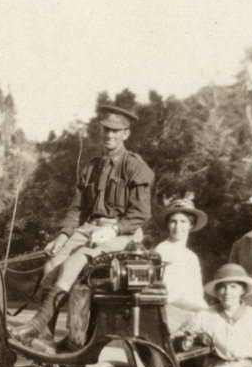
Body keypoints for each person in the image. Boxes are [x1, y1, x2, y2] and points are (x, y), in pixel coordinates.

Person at [11, 104, 154, 352]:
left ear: (126, 134)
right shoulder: (91, 167)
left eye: (116, 131)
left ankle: (35, 326)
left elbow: (141, 213)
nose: (109, 135)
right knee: (51, 265)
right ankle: (45, 337)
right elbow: (77, 209)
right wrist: (62, 236)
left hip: (122, 234)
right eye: (106, 130)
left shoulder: (135, 167)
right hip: (88, 229)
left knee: (73, 264)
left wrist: (115, 229)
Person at [153, 193, 207, 333]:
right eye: (173, 221)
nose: (178, 226)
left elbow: (197, 293)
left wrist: (204, 310)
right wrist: (202, 310)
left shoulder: (191, 257)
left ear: (191, 224)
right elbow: (169, 295)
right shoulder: (162, 250)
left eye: (183, 221)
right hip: (170, 312)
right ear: (168, 224)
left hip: (191, 311)